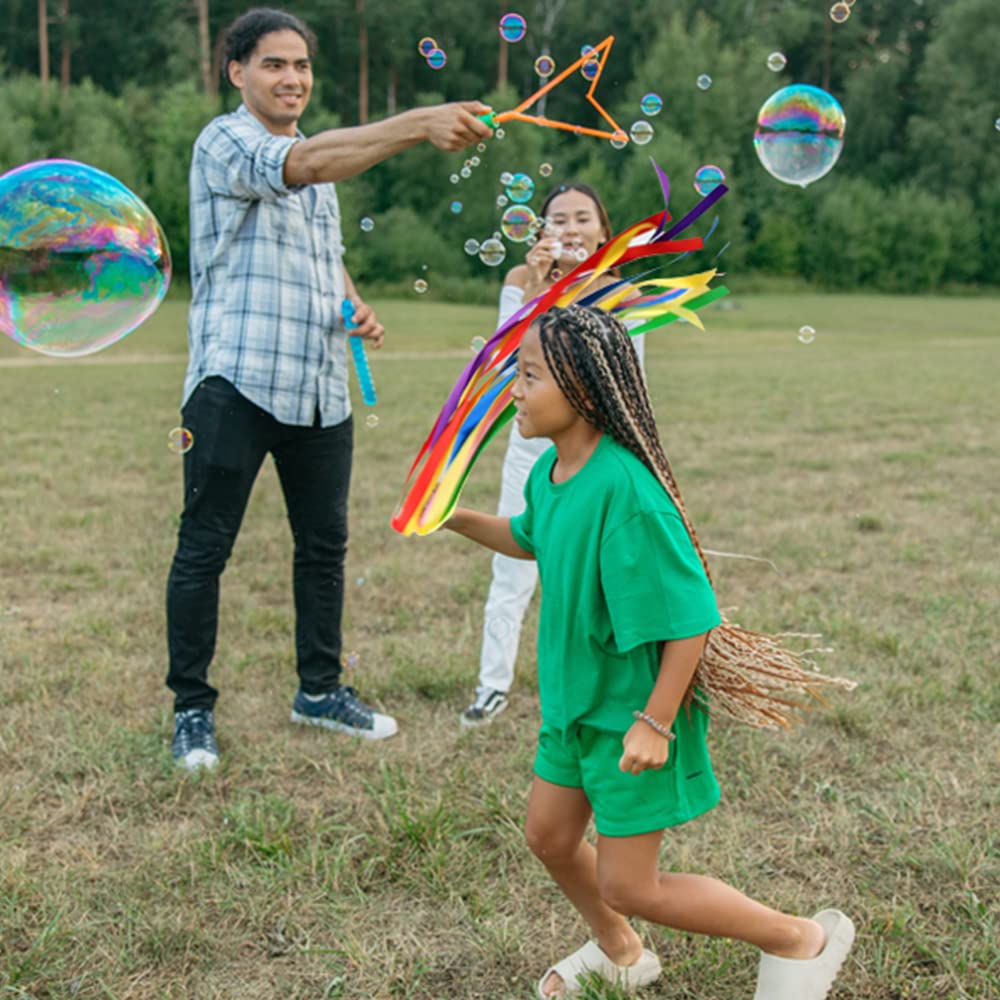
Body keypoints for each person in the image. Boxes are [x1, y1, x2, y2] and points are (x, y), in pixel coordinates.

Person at [443, 306, 855, 999]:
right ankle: (621, 953)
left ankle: (799, 939)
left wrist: (656, 722)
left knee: (630, 884)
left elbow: (691, 620)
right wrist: (452, 516)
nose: (515, 389)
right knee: (548, 836)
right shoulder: (553, 471)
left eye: (531, 375)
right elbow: (530, 535)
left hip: (630, 714)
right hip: (574, 705)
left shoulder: (627, 491)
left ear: (581, 389)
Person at [165, 6, 492, 770]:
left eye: (302, 65)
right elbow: (302, 167)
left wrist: (351, 299)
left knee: (323, 547)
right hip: (234, 381)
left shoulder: (318, 157)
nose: (292, 78)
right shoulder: (228, 141)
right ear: (236, 70)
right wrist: (417, 123)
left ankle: (319, 691)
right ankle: (191, 710)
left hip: (318, 384)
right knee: (204, 547)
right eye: (274, 64)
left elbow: (320, 244)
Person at [461, 182, 646, 726]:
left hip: (600, 456)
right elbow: (500, 366)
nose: (570, 228)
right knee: (512, 568)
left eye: (583, 218)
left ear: (604, 233)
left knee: (607, 573)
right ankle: (492, 684)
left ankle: (617, 689)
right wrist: (538, 290)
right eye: (557, 219)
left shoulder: (622, 295)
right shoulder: (521, 282)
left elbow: (630, 382)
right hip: (530, 448)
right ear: (539, 233)